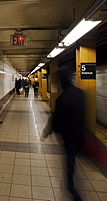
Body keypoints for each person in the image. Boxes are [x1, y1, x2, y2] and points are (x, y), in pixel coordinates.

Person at [42, 68, 84, 201]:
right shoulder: (80, 93)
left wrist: (46, 132)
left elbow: (57, 118)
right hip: (80, 135)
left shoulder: (64, 97)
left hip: (69, 137)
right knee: (75, 158)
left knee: (70, 161)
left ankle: (73, 191)